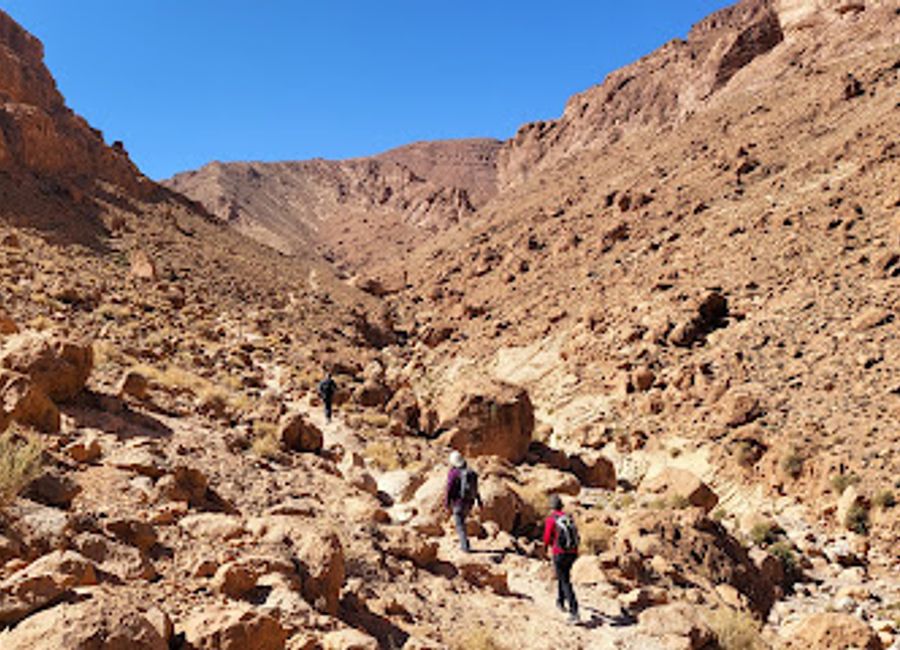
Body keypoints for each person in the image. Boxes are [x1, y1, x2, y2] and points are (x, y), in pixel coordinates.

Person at [543, 494, 579, 623]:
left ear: (551, 507)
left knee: (565, 581)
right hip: (572, 552)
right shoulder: (568, 518)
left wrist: (545, 548)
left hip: (560, 552)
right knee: (563, 576)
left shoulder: (551, 519)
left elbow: (547, 537)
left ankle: (574, 612)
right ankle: (560, 601)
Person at [445, 451, 482, 553]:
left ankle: (465, 547)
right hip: (469, 503)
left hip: (458, 503)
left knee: (460, 525)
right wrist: (479, 501)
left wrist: (447, 503)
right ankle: (465, 543)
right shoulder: (469, 472)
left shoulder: (454, 473)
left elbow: (449, 488)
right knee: (462, 522)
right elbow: (476, 489)